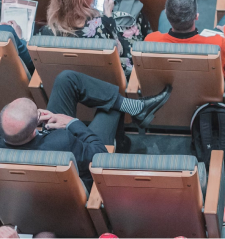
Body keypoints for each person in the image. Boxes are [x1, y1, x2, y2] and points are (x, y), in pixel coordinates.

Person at [0, 70, 172, 187]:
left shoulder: (7, 135)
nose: (40, 111)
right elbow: (99, 155)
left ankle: (136, 108)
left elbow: (28, 137)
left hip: (40, 143)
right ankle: (123, 142)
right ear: (32, 130)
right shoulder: (64, 142)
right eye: (38, 113)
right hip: (78, 167)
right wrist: (72, 123)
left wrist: (41, 125)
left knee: (66, 79)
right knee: (110, 107)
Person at [39, 0, 150, 74]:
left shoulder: (46, 33)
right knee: (134, 19)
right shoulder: (101, 26)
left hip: (69, 82)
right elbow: (118, 52)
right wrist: (108, 15)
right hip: (108, 79)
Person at [145, 0, 225, 69]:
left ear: (168, 15)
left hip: (170, 89)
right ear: (196, 16)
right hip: (208, 90)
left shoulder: (151, 41)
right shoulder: (217, 44)